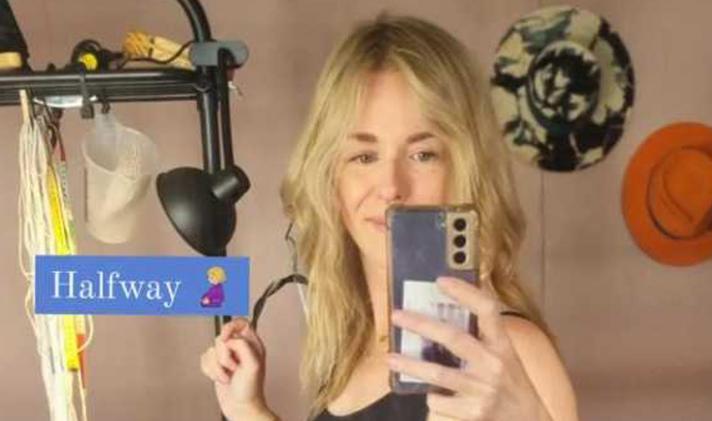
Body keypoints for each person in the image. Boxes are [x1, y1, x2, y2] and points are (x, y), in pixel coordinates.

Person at [200, 14, 578, 421]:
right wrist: (248, 409)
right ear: (331, 178)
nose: (391, 186)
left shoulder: (510, 353)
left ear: (466, 170)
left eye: (423, 155)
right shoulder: (351, 349)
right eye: (365, 156)